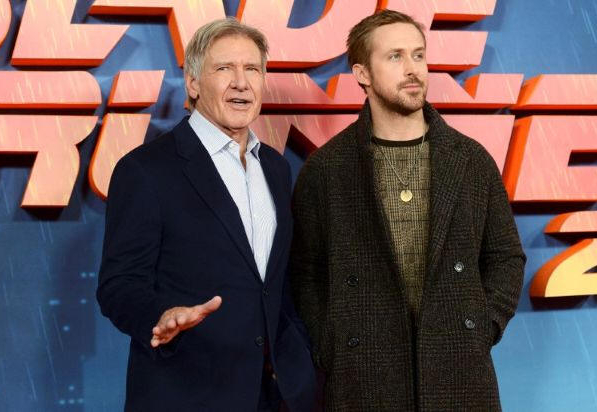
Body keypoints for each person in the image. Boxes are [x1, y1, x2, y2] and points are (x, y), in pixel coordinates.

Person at [290, 9, 525, 411]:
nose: (412, 68)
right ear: (362, 74)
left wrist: (480, 328)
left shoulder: (470, 159)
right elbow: (305, 273)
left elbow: (506, 256)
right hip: (363, 375)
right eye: (395, 57)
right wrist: (332, 342)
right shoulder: (327, 168)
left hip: (459, 372)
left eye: (418, 55)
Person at [97, 18, 315, 412]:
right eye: (224, 68)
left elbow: (276, 283)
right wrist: (160, 316)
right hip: (186, 392)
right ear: (193, 83)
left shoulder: (276, 169)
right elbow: (119, 285)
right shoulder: (146, 170)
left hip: (274, 395)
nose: (241, 82)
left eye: (252, 69)